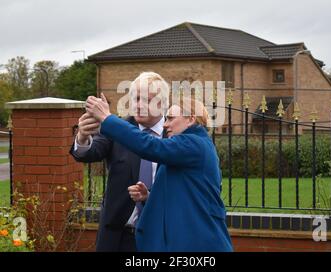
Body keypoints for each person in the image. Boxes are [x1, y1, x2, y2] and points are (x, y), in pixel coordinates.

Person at [86, 94, 233, 252]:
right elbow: (186, 194)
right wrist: (150, 196)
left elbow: (148, 146)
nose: (165, 124)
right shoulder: (188, 148)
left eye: (170, 118)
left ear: (190, 119)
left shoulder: (193, 143)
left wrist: (107, 118)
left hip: (199, 243)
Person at [70, 72, 169, 252]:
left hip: (163, 236)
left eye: (146, 100)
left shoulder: (174, 134)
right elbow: (88, 153)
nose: (139, 105)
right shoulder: (119, 130)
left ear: (162, 103)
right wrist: (83, 137)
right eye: (135, 99)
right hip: (119, 238)